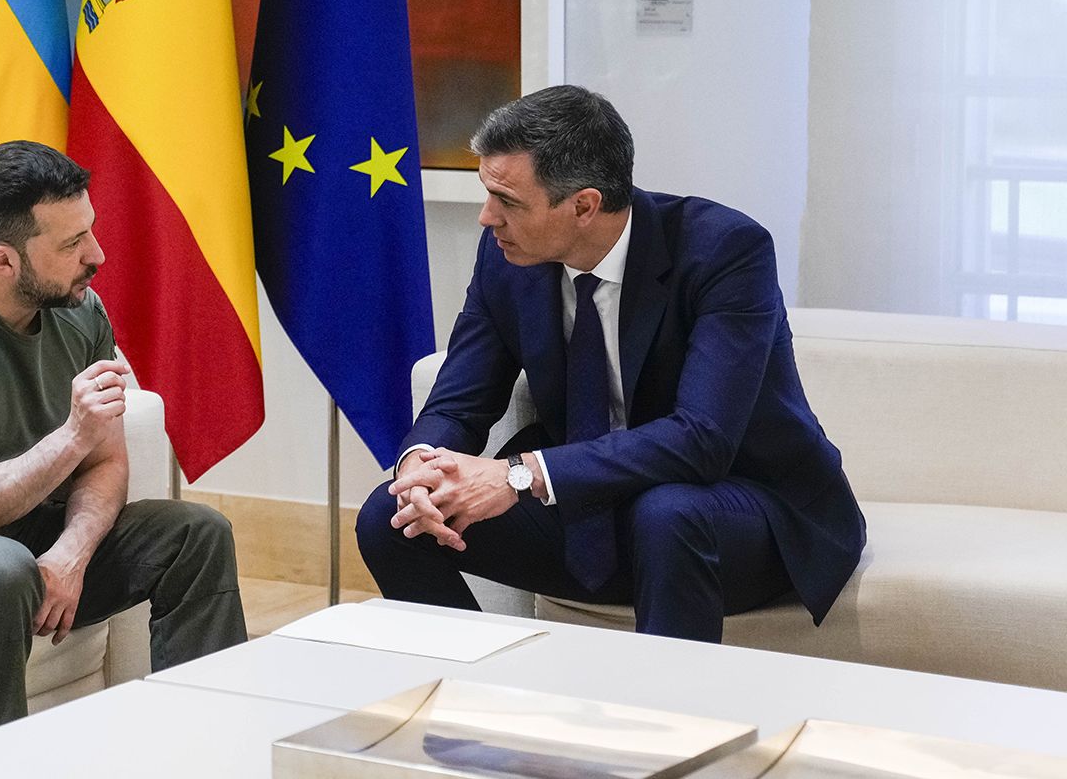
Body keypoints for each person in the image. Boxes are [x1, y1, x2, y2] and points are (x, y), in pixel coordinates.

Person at [356, 85, 866, 642]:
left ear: (584, 206)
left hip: (738, 508)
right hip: (587, 508)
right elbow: (460, 398)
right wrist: (420, 470)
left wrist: (518, 475)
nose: (486, 218)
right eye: (487, 192)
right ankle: (481, 700)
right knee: (391, 520)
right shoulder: (508, 258)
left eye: (509, 202)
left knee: (667, 514)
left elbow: (703, 438)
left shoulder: (723, 250)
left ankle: (665, 723)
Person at [0, 140, 248, 739]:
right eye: (71, 244)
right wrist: (73, 434)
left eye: (90, 230)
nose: (97, 255)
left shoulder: (80, 311)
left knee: (194, 534)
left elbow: (107, 461)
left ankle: (206, 750)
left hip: (21, 530)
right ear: (4, 260)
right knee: (1, 569)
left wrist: (70, 553)